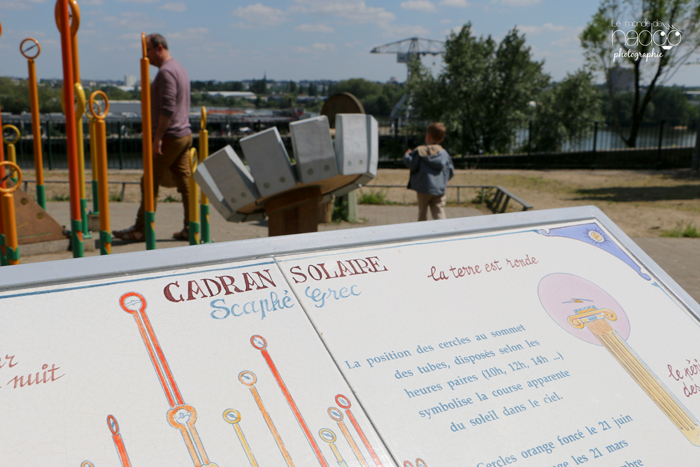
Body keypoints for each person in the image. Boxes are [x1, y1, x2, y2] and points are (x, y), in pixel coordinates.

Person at [113, 33, 192, 242]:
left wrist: (157, 137)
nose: (145, 57)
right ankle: (191, 227)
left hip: (170, 136)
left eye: (146, 51)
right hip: (184, 133)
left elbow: (167, 108)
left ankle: (141, 229)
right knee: (186, 184)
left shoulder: (166, 73)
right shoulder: (179, 68)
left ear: (158, 48)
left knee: (149, 181)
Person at [404, 122, 455, 221]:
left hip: (423, 187)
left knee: (422, 212)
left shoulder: (420, 151)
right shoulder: (444, 153)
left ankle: (422, 232)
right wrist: (443, 180)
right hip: (439, 188)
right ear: (442, 139)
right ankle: (443, 231)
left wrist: (407, 156)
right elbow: (451, 171)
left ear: (428, 136)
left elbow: (412, 165)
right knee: (439, 211)